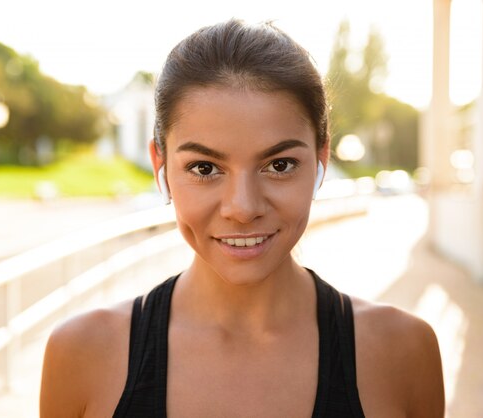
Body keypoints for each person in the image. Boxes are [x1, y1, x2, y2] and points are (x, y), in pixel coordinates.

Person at [40, 19, 444, 418]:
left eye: (280, 164)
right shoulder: (83, 354)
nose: (243, 207)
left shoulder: (402, 352)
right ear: (160, 166)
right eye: (203, 168)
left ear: (322, 159)